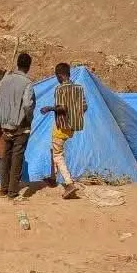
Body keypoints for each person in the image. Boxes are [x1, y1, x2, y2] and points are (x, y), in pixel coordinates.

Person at [40, 62, 86, 200]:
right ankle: (53, 178)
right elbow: (84, 107)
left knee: (57, 155)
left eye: (57, 76)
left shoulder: (60, 89)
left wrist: (49, 108)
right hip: (73, 127)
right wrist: (74, 115)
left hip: (62, 126)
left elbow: (62, 108)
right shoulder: (79, 88)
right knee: (55, 149)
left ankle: (69, 183)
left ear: (60, 75)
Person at [0, 53, 35, 199]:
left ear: (17, 64)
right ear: (28, 66)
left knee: (6, 156)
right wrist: (29, 118)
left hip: (5, 125)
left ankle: (3, 190)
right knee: (17, 158)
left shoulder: (5, 80)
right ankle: (12, 192)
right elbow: (27, 105)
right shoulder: (27, 83)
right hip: (20, 127)